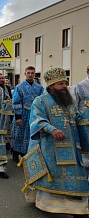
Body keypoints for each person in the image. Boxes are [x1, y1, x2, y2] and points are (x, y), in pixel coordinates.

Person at [21, 67, 89, 216]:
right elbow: (37, 120)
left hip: (72, 146)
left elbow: (78, 117)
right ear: (51, 87)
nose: (65, 86)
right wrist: (52, 129)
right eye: (61, 84)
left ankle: (77, 208)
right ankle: (47, 203)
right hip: (50, 146)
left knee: (76, 176)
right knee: (51, 175)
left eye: (65, 83)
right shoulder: (41, 101)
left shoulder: (69, 102)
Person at [11, 66, 44, 162]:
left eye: (32, 73)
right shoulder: (19, 87)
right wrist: (18, 117)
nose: (30, 75)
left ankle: (29, 153)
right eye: (28, 73)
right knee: (19, 134)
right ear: (25, 74)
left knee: (32, 133)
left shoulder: (39, 88)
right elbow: (16, 102)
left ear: (35, 74)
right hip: (22, 114)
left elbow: (43, 100)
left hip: (34, 114)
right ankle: (16, 152)